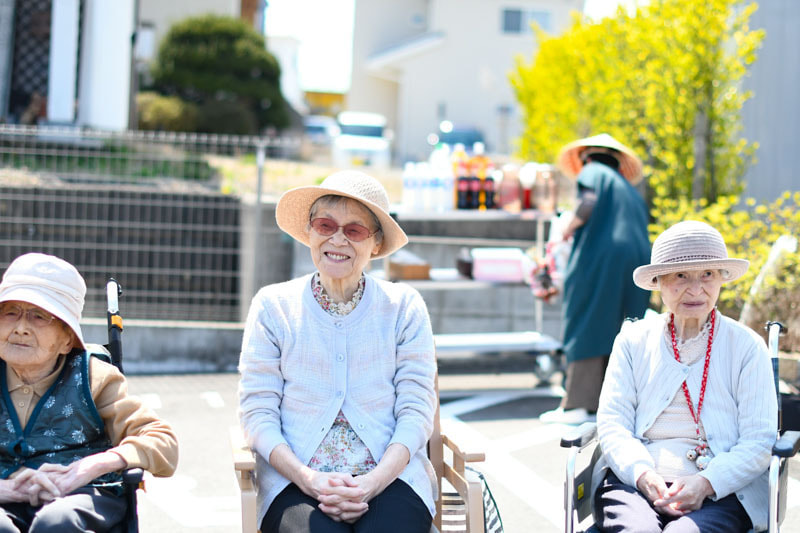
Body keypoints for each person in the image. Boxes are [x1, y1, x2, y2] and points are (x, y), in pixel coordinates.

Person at [238, 170, 437, 533]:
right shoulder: (273, 306)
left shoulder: (404, 306)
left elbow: (417, 409)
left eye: (355, 230)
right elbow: (257, 412)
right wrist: (307, 478)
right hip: (294, 479)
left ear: (375, 243)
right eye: (326, 225)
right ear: (310, 233)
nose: (338, 239)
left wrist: (372, 482)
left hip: (390, 476)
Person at [593, 220, 777, 532]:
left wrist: (706, 482)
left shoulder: (746, 346)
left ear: (721, 279)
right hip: (635, 484)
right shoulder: (633, 340)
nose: (695, 289)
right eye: (680, 276)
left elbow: (759, 440)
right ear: (659, 282)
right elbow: (613, 424)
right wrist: (643, 475)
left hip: (723, 489)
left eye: (707, 274)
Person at [0, 253, 178, 532]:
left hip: (80, 496)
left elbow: (163, 443)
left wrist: (88, 468)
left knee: (56, 523)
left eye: (39, 316)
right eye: (11, 312)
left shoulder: (95, 378)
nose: (21, 328)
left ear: (67, 339)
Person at [540, 133, 651, 425]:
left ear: (586, 156)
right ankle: (611, 403)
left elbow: (587, 202)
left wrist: (568, 227)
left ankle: (579, 404)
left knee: (586, 319)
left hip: (601, 255)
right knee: (622, 327)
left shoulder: (592, 172)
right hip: (638, 257)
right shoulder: (628, 188)